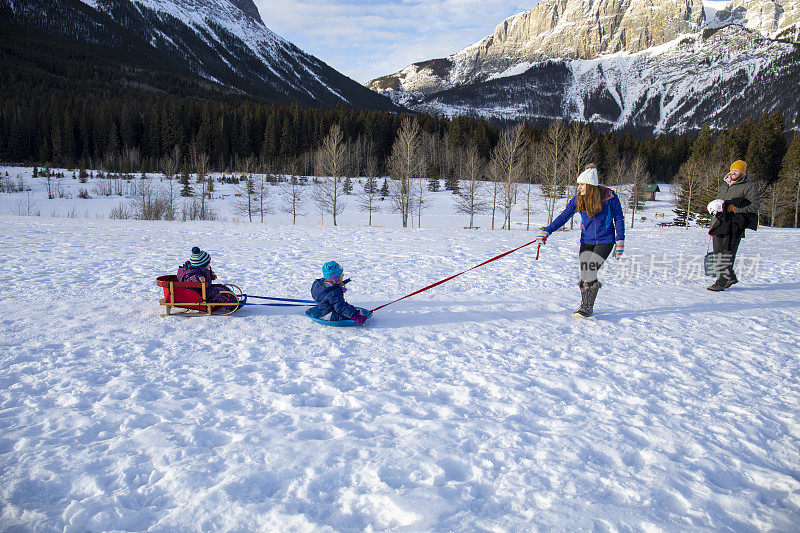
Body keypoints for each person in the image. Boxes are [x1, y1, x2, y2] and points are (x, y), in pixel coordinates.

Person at [535, 164, 625, 317]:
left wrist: (620, 240)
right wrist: (547, 231)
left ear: (590, 185)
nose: (579, 187)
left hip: (605, 240)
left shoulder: (609, 197)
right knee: (585, 273)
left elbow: (618, 218)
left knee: (591, 269)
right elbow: (564, 216)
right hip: (586, 240)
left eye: (582, 184)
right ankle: (585, 304)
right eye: (579, 184)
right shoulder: (578, 199)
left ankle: (587, 307)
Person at [706, 160, 760, 291]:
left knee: (726, 252)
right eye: (732, 170)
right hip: (720, 222)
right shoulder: (724, 184)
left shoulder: (749, 187)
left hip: (735, 223)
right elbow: (719, 202)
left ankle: (721, 282)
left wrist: (735, 209)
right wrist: (714, 216)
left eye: (737, 171)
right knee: (718, 251)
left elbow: (755, 206)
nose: (733, 173)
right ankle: (730, 277)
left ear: (742, 172)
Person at [177, 247, 238, 311]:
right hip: (201, 293)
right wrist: (198, 278)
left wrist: (212, 275)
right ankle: (231, 306)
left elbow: (207, 274)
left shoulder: (203, 269)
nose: (210, 264)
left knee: (222, 287)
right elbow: (189, 279)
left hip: (207, 288)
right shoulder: (190, 272)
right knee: (219, 292)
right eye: (208, 263)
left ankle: (235, 301)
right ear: (202, 265)